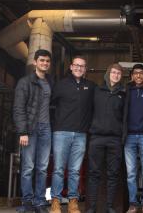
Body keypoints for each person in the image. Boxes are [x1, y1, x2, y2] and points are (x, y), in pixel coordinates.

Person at [50, 56, 96, 213]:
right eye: (76, 65)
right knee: (58, 169)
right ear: (71, 67)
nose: (79, 68)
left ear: (85, 69)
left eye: (82, 66)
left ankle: (73, 202)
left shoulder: (91, 87)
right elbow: (50, 106)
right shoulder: (60, 85)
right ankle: (55, 202)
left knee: (75, 170)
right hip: (61, 133)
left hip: (81, 134)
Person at [13, 49, 53, 213]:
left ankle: (39, 202)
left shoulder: (51, 82)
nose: (45, 63)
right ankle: (27, 203)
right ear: (35, 62)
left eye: (47, 61)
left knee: (42, 168)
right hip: (30, 128)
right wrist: (23, 131)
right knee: (28, 167)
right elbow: (18, 108)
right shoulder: (25, 82)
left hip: (46, 128)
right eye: (42, 60)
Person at [86, 63, 125, 213]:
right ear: (108, 74)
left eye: (118, 73)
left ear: (121, 76)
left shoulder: (123, 93)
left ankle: (109, 206)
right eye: (113, 72)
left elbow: (125, 116)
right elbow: (88, 111)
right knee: (94, 173)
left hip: (115, 139)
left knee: (113, 173)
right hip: (96, 137)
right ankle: (92, 207)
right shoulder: (97, 91)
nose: (115, 75)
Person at [123, 64, 143, 213]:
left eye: (141, 73)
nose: (138, 76)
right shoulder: (127, 90)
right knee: (131, 173)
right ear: (132, 75)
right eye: (136, 73)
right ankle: (133, 203)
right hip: (129, 136)